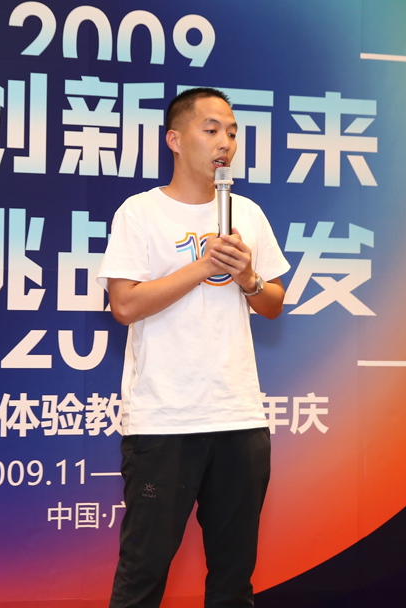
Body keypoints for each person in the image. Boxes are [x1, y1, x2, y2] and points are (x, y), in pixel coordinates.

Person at [97, 87, 290, 608]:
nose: (225, 142)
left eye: (232, 132)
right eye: (211, 130)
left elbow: (273, 303)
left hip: (239, 417)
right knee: (143, 575)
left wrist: (247, 277)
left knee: (233, 580)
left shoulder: (247, 213)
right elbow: (124, 305)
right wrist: (204, 265)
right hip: (164, 422)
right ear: (175, 140)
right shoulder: (141, 213)